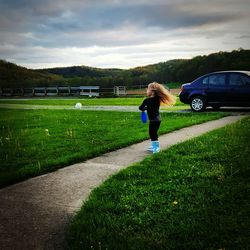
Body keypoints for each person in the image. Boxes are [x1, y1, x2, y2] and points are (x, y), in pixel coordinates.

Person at [139, 82, 176, 153]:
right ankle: (154, 146)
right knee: (154, 133)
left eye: (148, 89)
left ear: (152, 91)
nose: (146, 90)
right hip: (158, 119)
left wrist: (144, 108)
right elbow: (152, 107)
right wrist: (147, 108)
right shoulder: (157, 99)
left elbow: (140, 108)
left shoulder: (147, 100)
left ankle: (156, 148)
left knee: (152, 133)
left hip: (153, 120)